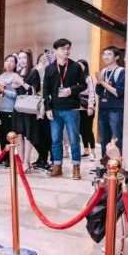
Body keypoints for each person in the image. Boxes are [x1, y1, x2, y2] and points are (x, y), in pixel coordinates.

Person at [43, 38, 87, 180]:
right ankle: (57, 166)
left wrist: (71, 90)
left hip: (71, 109)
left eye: (68, 48)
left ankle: (76, 167)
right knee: (56, 139)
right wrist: (47, 108)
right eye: (63, 48)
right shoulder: (50, 68)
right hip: (55, 110)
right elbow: (46, 90)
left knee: (74, 140)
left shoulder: (75, 67)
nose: (66, 51)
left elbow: (83, 85)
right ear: (56, 51)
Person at [95, 46, 125, 157]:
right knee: (103, 140)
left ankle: (117, 164)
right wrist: (99, 82)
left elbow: (118, 92)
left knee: (116, 140)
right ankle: (105, 164)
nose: (105, 57)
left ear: (116, 57)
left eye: (109, 54)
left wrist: (103, 82)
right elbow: (98, 92)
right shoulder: (103, 71)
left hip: (115, 110)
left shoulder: (121, 71)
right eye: (104, 54)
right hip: (102, 109)